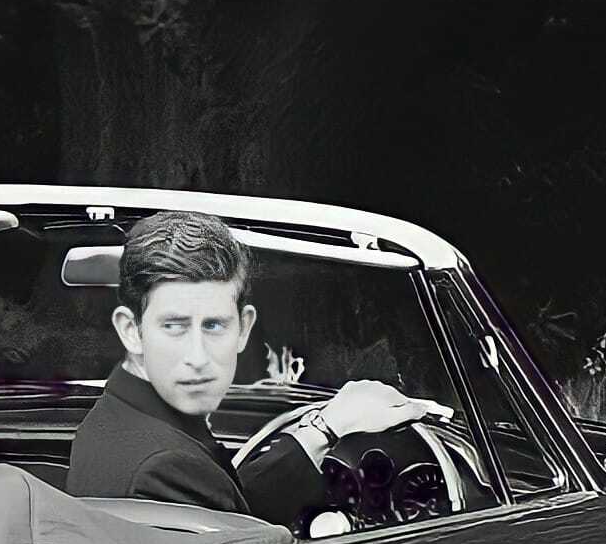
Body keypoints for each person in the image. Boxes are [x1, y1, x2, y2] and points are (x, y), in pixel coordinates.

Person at [63, 210, 433, 526]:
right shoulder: (163, 466)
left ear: (245, 328)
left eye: (214, 325)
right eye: (173, 326)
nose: (197, 356)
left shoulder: (116, 418)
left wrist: (324, 428)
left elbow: (229, 507)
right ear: (132, 331)